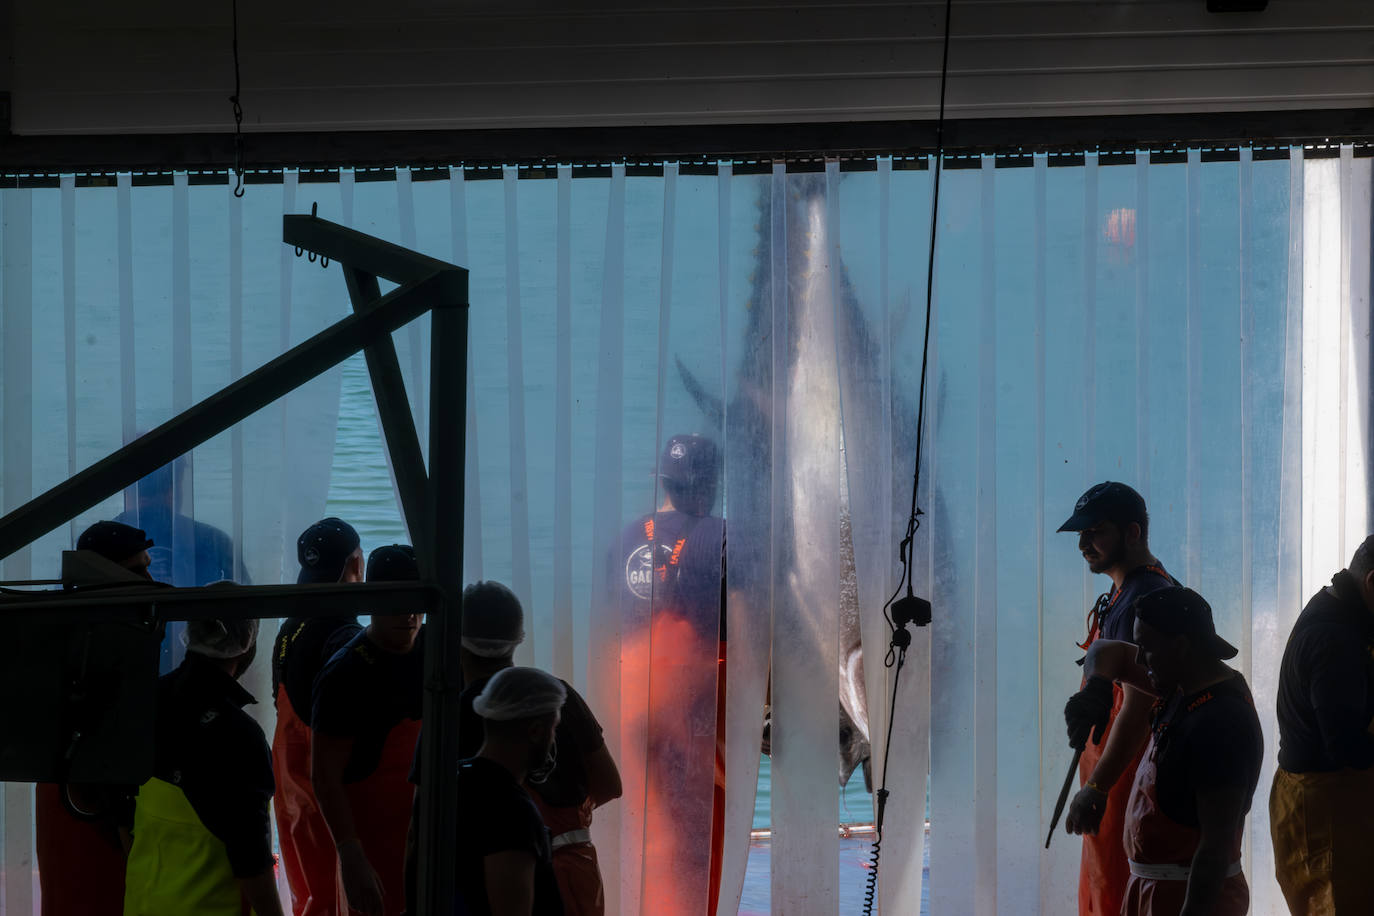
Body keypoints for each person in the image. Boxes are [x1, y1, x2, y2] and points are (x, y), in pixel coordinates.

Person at [405, 582, 620, 916]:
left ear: (455, 642)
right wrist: (563, 826)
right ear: (518, 637)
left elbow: (421, 829)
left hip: (485, 883)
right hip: (576, 876)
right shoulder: (556, 697)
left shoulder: (449, 718)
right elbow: (609, 785)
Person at [1063, 587, 1262, 916]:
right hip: (1151, 891)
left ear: (1181, 646)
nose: (1139, 659)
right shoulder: (1182, 682)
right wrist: (1098, 687)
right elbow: (1103, 650)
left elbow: (1213, 850)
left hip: (1190, 898)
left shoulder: (1222, 723)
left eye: (1147, 649)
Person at [616, 433, 727, 914]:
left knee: (651, 821)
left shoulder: (627, 536)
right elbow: (753, 619)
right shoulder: (722, 535)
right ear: (712, 483)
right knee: (700, 831)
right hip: (695, 700)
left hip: (635, 693)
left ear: (663, 481)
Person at [1057, 481, 1178, 916]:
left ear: (1133, 532)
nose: (1085, 544)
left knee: (1118, 893)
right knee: (1104, 888)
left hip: (1126, 778)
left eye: (1096, 532)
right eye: (1080, 535)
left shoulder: (1143, 600)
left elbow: (1138, 708)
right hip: (1113, 771)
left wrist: (1097, 787)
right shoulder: (1123, 593)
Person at [123, 601, 285, 916]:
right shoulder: (239, 736)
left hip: (144, 903)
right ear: (246, 647)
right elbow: (252, 860)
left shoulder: (144, 704)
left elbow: (121, 818)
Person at [35, 520, 156, 916]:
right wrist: (126, 838)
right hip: (88, 804)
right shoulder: (102, 645)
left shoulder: (62, 630)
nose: (150, 580)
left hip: (65, 793)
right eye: (137, 571)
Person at [312, 545, 425, 916]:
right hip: (371, 841)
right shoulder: (345, 675)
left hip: (426, 832)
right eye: (395, 601)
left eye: (417, 600)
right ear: (371, 598)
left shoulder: (438, 652)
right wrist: (350, 853)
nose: (409, 614)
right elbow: (325, 777)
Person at [1269, 534, 1374, 913]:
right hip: (1323, 817)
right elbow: (1346, 747)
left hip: (1327, 802)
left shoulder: (1339, 604)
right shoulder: (1334, 641)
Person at [273, 517, 366, 916]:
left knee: (307, 892)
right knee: (336, 893)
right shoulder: (346, 638)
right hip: (326, 794)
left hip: (291, 791)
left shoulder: (289, 628)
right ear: (356, 566)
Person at [116, 454, 248, 672]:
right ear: (176, 488)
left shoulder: (98, 546)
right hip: (199, 673)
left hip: (119, 673)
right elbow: (244, 622)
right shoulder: (213, 541)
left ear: (127, 488)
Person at [455, 666, 567, 916]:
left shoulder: (453, 781)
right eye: (553, 728)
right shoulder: (511, 809)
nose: (552, 739)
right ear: (537, 731)